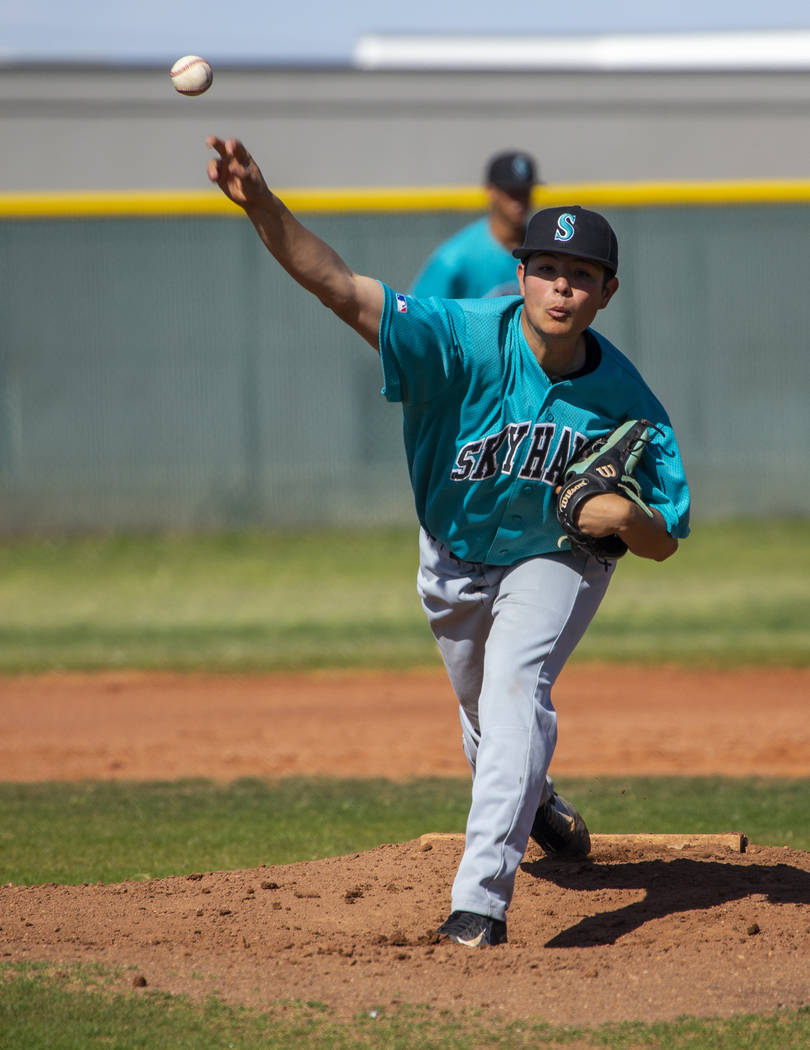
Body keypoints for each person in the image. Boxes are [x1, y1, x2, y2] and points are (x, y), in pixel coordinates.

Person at [205, 136, 691, 949]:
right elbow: (336, 284)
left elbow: (664, 538)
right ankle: (532, 802)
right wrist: (260, 201)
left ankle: (479, 906)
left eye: (580, 276)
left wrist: (624, 521)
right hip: (454, 555)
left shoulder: (626, 400)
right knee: (484, 711)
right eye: (546, 269)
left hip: (555, 556)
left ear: (606, 292)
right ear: (522, 273)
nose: (560, 287)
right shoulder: (458, 338)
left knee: (513, 690)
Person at [409, 149, 538, 299]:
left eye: (525, 191)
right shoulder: (455, 258)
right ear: (490, 190)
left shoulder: (541, 250)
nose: (519, 200)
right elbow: (418, 313)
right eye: (511, 191)